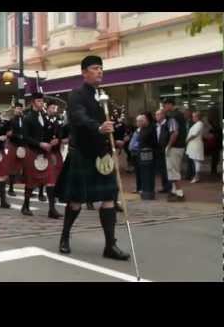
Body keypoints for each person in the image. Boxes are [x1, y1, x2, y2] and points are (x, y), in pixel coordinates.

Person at [56, 55, 130, 260]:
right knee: (76, 202)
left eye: (101, 68)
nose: (100, 72)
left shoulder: (103, 95)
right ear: (84, 72)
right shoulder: (76, 95)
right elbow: (78, 117)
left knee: (108, 198)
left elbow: (109, 120)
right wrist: (97, 127)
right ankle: (64, 237)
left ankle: (110, 246)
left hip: (102, 154)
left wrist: (115, 133)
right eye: (95, 68)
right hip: (82, 153)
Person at [20, 92, 62, 219]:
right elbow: (25, 137)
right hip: (33, 152)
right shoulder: (27, 118)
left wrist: (54, 140)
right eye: (39, 101)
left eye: (42, 101)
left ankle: (52, 209)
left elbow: (50, 132)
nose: (41, 104)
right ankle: (25, 206)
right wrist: (39, 144)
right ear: (33, 103)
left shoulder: (44, 117)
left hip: (45, 152)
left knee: (50, 180)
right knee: (31, 181)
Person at [162, 98, 186, 202]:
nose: (164, 108)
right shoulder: (180, 114)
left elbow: (174, 132)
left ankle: (180, 193)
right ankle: (174, 191)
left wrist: (169, 145)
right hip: (180, 146)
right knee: (174, 169)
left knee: (173, 170)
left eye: (164, 105)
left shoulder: (172, 116)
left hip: (174, 147)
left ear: (169, 105)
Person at [6, 102, 25, 197]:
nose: (19, 110)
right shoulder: (11, 120)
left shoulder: (25, 120)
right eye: (17, 109)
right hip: (13, 144)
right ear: (14, 109)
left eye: (20, 109)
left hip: (22, 146)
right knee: (12, 168)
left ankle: (28, 188)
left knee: (23, 167)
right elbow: (8, 133)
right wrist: (18, 135)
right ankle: (10, 188)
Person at [138, 112, 157, 200]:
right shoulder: (142, 129)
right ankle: (145, 189)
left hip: (148, 152)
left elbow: (154, 141)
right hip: (142, 153)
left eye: (143, 120)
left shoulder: (152, 128)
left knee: (148, 172)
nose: (141, 121)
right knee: (144, 172)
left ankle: (149, 191)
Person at [155, 109, 171, 193]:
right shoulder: (157, 125)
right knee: (162, 169)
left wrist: (168, 145)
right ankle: (164, 186)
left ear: (163, 115)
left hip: (166, 148)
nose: (156, 116)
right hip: (159, 149)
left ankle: (169, 187)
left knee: (167, 168)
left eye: (158, 115)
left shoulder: (167, 124)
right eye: (156, 115)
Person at [185, 111, 205, 183]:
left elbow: (194, 134)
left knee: (197, 161)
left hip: (196, 144)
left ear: (198, 117)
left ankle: (196, 176)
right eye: (193, 116)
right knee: (194, 160)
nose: (193, 118)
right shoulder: (196, 124)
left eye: (194, 116)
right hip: (193, 145)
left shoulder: (199, 124)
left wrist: (187, 140)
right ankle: (196, 176)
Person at [182, 108, 195, 180]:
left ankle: (193, 174)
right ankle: (188, 174)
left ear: (190, 114)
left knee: (192, 159)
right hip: (186, 142)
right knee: (188, 159)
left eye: (186, 113)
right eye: (184, 114)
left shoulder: (193, 122)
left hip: (191, 142)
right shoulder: (184, 122)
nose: (184, 115)